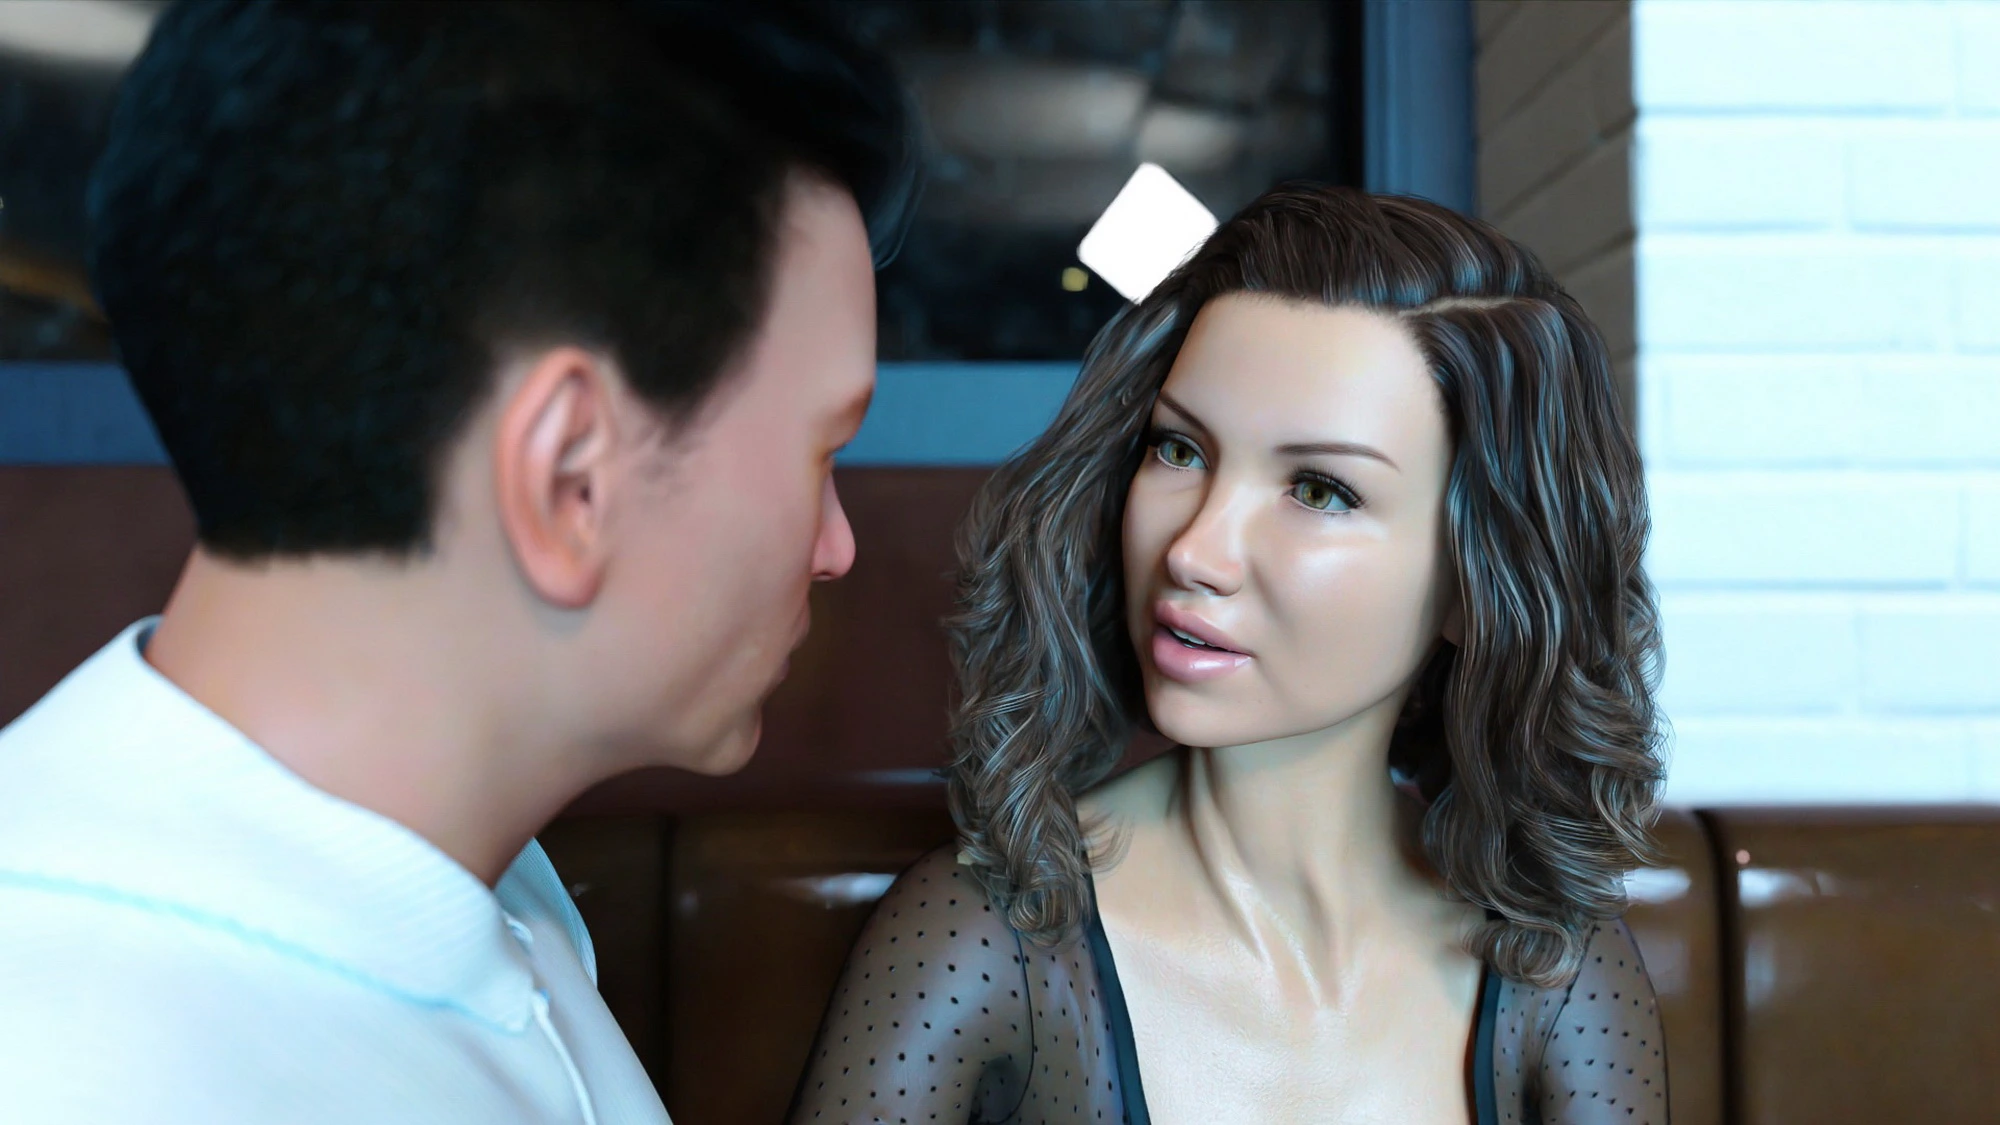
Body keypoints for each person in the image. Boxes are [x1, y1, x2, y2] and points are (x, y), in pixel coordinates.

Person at [0, 2, 915, 1122]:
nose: (835, 547)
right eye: (824, 450)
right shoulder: (80, 1064)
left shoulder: (470, 873)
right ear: (569, 478)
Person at [789, 186, 1669, 1125]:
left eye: (1320, 490)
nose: (1194, 550)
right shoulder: (982, 939)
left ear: (1477, 580)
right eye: (1179, 449)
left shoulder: (1554, 967)